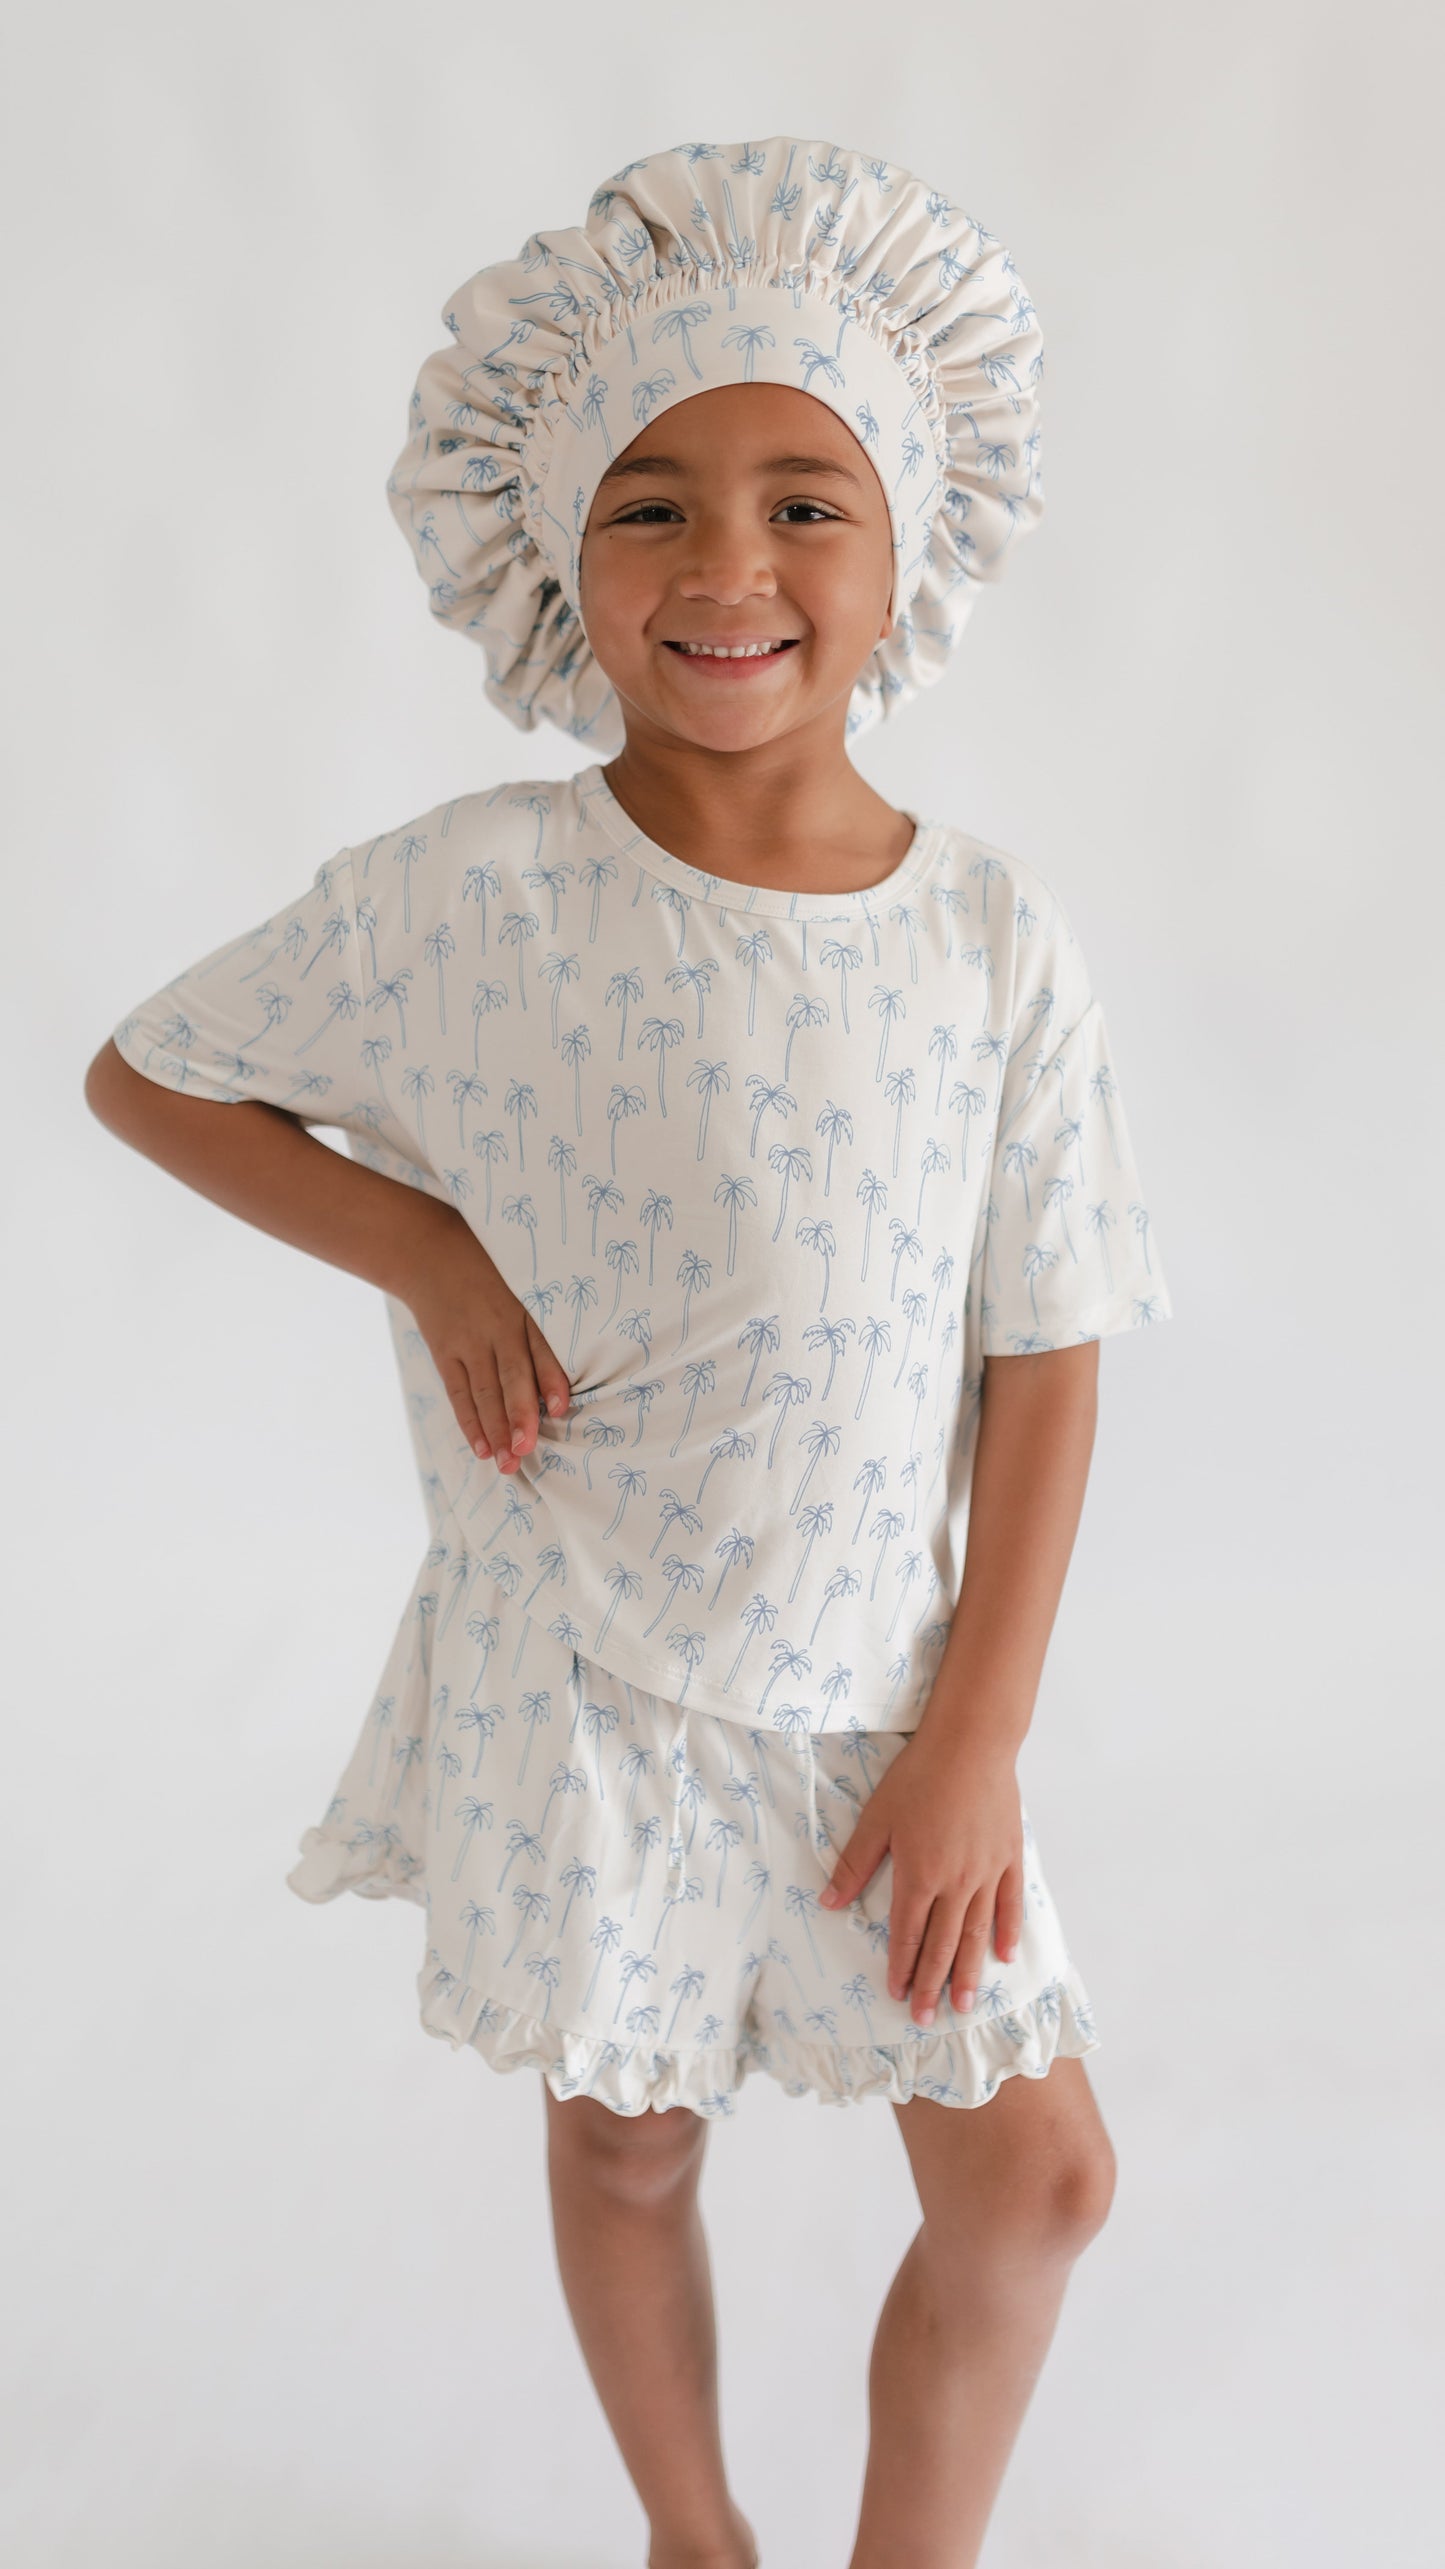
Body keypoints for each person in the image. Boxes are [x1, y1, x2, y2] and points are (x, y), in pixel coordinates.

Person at [86, 135, 1173, 2569]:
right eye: (651, 506)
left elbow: (1049, 1354)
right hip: (587, 1666)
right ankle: (698, 2539)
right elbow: (153, 1074)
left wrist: (981, 1733)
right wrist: (428, 1251)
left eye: (804, 502)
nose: (725, 568)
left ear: (905, 546)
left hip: (883, 1703)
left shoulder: (994, 943)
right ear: (561, 558)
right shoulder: (471, 895)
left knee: (1038, 2178)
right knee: (627, 2138)